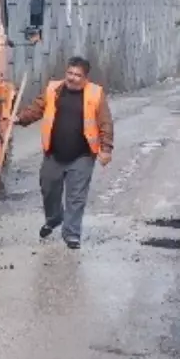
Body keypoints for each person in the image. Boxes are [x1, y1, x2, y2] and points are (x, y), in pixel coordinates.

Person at [11, 57, 114, 249]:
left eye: (77, 75)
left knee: (76, 197)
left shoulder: (95, 94)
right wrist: (19, 118)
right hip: (54, 153)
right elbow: (37, 108)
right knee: (48, 189)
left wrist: (106, 148)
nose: (72, 78)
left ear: (85, 77)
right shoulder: (54, 89)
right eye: (70, 73)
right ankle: (54, 218)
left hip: (82, 155)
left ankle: (72, 233)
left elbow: (105, 123)